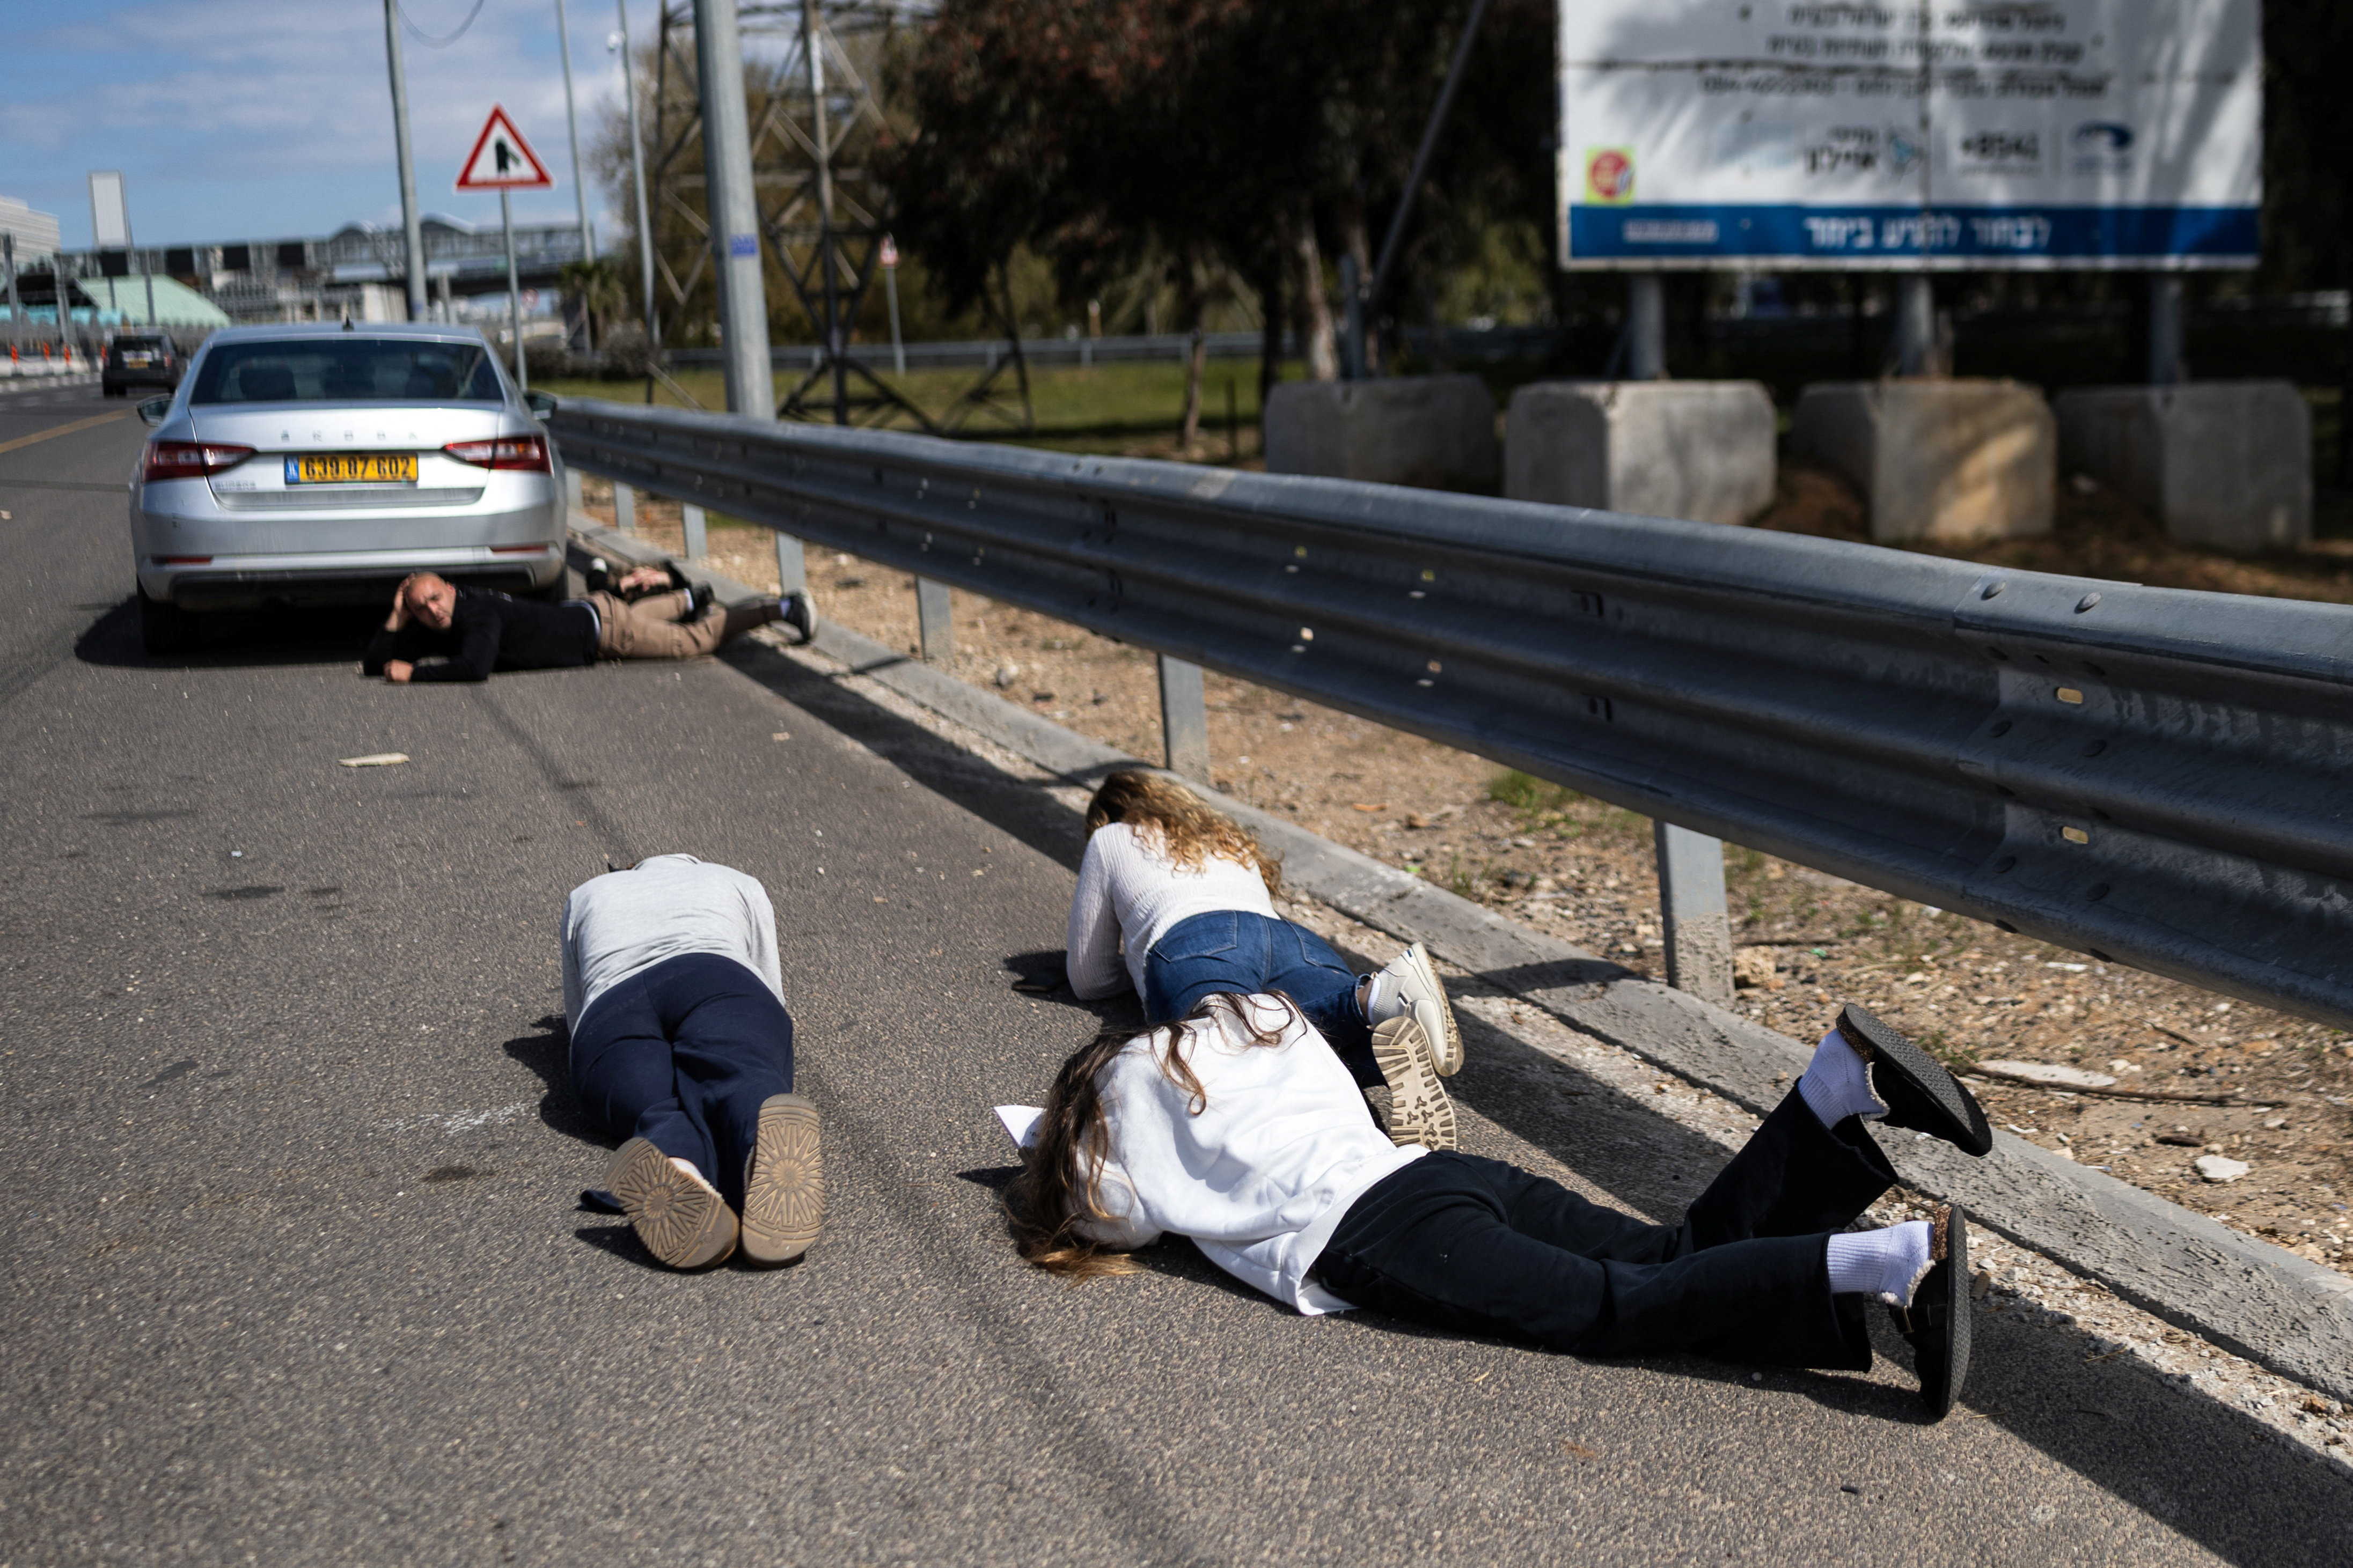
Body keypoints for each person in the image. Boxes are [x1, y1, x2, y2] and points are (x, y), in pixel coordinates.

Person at [1006, 998, 1992, 1417]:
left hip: (1375, 1232)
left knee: (1615, 1307)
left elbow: (1118, 1217)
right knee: (1671, 1252)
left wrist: (1049, 1153)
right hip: (1432, 1173)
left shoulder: (1114, 1101)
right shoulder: (1253, 1018)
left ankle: (1895, 1263)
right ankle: (1831, 1087)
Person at [1065, 770, 1465, 1149]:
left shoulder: (1111, 837)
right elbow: (1245, 932)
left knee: (1216, 1053)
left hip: (1193, 936)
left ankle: (1375, 998)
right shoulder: (1226, 838)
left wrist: (1137, 971)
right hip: (1294, 941)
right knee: (1307, 1054)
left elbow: (1090, 977)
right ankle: (1372, 1016)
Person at [562, 853, 823, 1269]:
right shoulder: (735, 880)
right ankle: (757, 1135)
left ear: (632, 870)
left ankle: (679, 1167)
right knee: (740, 1070)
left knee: (656, 1106)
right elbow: (767, 978)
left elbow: (577, 1011)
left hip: (612, 1004)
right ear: (692, 863)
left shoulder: (587, 893)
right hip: (715, 974)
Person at [362, 568, 810, 683]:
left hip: (607, 634)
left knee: (697, 641)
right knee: (651, 617)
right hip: (596, 610)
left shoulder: (478, 615)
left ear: (450, 588)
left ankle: (783, 609)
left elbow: (475, 667)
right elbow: (374, 663)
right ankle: (690, 597)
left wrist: (414, 673)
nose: (432, 611)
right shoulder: (446, 615)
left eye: (435, 599)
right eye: (420, 609)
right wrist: (397, 614)